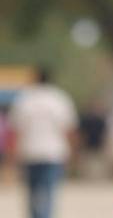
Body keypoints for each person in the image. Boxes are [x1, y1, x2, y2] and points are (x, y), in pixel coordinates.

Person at [7, 66, 79, 218]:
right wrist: (74, 151)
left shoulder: (24, 99)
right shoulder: (59, 99)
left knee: (32, 192)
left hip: (29, 152)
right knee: (48, 191)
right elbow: (69, 129)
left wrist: (11, 154)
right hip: (53, 153)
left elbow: (16, 131)